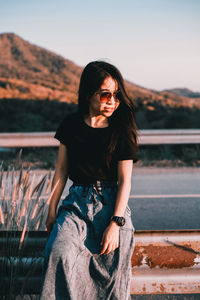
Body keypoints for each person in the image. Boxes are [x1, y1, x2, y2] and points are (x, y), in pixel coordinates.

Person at [39, 60, 139, 300]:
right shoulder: (71, 125)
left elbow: (125, 180)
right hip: (77, 203)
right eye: (106, 95)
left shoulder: (122, 129)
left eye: (116, 95)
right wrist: (51, 208)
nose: (113, 101)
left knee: (111, 264)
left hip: (113, 203)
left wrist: (116, 224)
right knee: (58, 252)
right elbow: (61, 170)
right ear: (88, 93)